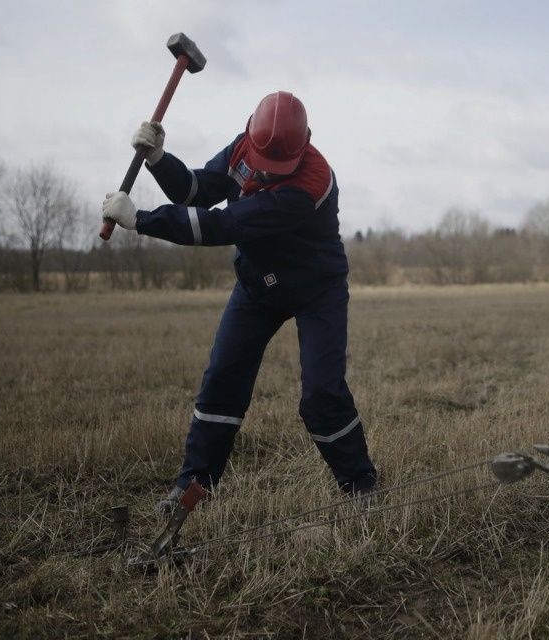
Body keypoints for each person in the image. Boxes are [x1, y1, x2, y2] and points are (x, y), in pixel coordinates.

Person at [102, 91, 377, 513]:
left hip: (316, 290)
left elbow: (224, 223)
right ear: (251, 132)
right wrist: (159, 158)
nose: (262, 175)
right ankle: (192, 489)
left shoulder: (309, 185)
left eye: (274, 170)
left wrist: (141, 220)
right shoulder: (243, 146)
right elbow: (198, 190)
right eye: (260, 165)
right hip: (256, 285)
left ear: (304, 146)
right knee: (222, 383)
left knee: (321, 396)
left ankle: (361, 488)